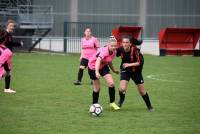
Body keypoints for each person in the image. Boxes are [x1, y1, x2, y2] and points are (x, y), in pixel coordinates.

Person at [116, 36, 154, 112]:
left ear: (130, 44)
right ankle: (121, 100)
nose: (125, 44)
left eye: (127, 42)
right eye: (123, 42)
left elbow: (139, 62)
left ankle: (149, 106)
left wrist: (128, 65)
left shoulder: (135, 50)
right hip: (125, 70)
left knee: (142, 91)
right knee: (122, 88)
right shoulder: (120, 49)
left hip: (136, 71)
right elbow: (112, 53)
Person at [88, 36, 120, 110]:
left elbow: (109, 60)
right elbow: (98, 60)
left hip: (103, 67)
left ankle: (112, 103)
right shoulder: (104, 51)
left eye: (115, 46)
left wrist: (114, 70)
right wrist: (96, 72)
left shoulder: (114, 52)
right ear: (108, 45)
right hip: (93, 67)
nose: (113, 47)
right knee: (97, 88)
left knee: (111, 83)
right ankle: (94, 105)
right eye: (112, 46)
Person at [0, 20, 22, 93]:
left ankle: (7, 89)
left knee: (8, 72)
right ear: (7, 26)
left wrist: (19, 44)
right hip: (2, 55)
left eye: (13, 26)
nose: (12, 27)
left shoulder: (9, 35)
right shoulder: (4, 33)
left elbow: (10, 43)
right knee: (3, 72)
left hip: (7, 56)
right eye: (11, 26)